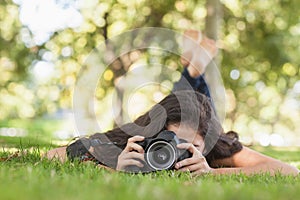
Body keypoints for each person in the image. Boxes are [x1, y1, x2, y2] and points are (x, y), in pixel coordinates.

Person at [46, 30, 299, 176]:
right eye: (171, 139)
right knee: (183, 105)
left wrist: (212, 173)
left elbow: (288, 170)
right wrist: (115, 168)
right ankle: (194, 70)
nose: (177, 150)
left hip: (207, 127)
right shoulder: (138, 143)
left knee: (195, 107)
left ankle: (193, 71)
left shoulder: (215, 147)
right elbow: (48, 156)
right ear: (153, 133)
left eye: (192, 146)